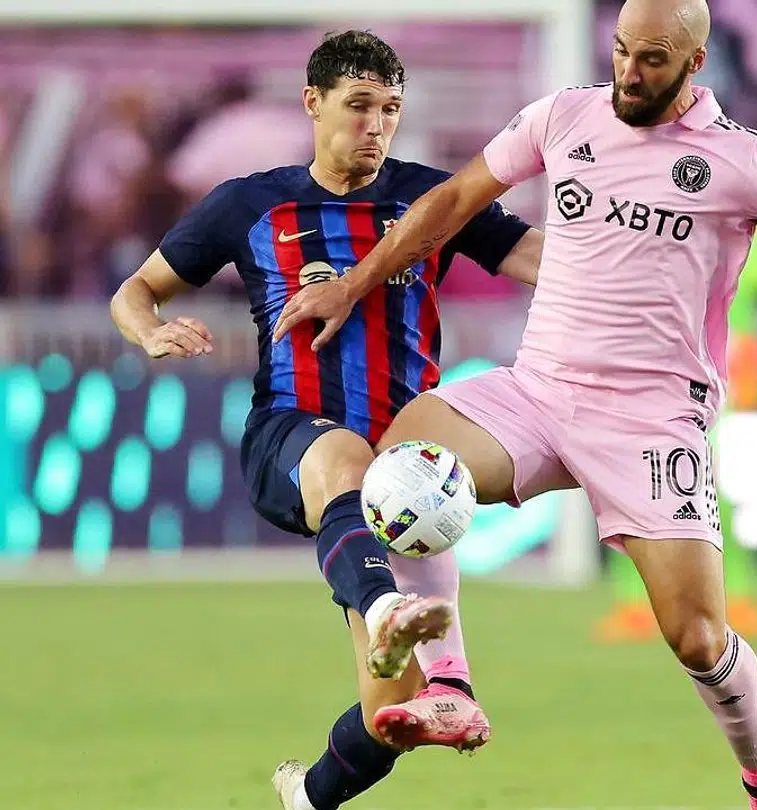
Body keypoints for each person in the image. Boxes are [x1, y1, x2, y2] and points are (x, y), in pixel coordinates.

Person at [271, 2, 757, 806]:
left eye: (653, 60)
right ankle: (449, 683)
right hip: (539, 388)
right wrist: (353, 283)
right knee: (400, 468)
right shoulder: (564, 116)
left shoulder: (741, 161)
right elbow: (453, 202)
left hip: (652, 421)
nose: (630, 72)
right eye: (623, 51)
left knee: (697, 638)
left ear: (695, 64)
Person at [107, 30, 545, 810]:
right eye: (359, 107)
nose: (376, 125)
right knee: (345, 459)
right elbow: (135, 289)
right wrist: (149, 330)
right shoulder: (251, 202)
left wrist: (634, 252)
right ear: (313, 104)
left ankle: (306, 795)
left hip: (400, 467)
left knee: (392, 719)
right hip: (290, 436)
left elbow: (534, 259)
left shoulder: (428, 198)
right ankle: (388, 609)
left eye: (391, 109)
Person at [594, 228, 757, 643]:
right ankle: (634, 602)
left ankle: (737, 596)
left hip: (720, 365)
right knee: (632, 485)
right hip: (649, 358)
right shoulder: (647, 205)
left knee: (717, 490)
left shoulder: (748, 202)